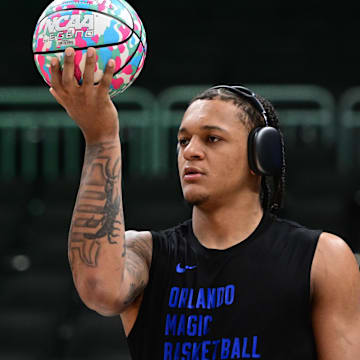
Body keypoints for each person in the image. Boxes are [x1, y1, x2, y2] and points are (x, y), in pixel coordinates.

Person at [50, 47, 360, 359]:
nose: (190, 151)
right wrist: (101, 139)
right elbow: (98, 289)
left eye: (212, 138)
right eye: (183, 141)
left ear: (260, 156)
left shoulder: (323, 258)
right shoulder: (146, 254)